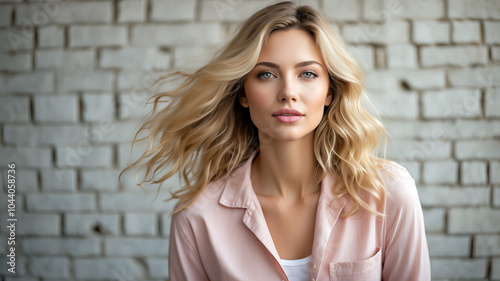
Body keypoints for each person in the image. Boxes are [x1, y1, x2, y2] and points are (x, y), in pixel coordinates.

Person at [120, 1, 431, 280]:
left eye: (308, 74)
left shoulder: (387, 194)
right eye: (266, 74)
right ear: (242, 92)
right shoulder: (197, 218)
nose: (288, 93)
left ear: (330, 92)